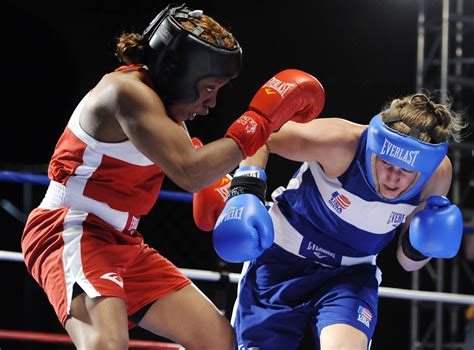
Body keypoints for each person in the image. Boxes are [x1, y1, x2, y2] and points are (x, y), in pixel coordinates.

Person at [20, 3, 325, 350]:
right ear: (178, 73)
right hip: (71, 227)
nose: (211, 102)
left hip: (122, 242)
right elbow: (189, 172)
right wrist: (261, 122)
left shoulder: (168, 116)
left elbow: (197, 167)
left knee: (218, 341)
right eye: (209, 87)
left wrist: (224, 187)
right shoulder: (126, 93)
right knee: (105, 345)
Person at [208, 92, 467, 349]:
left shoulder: (437, 174)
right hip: (282, 258)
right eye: (386, 164)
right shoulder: (340, 143)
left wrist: (422, 245)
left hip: (350, 275)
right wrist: (245, 192)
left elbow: (407, 262)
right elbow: (259, 135)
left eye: (406, 171)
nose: (393, 177)